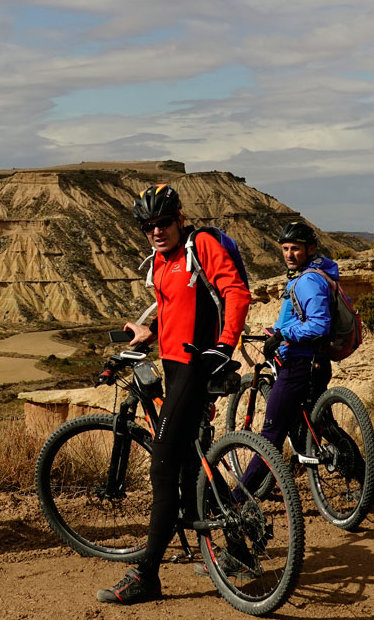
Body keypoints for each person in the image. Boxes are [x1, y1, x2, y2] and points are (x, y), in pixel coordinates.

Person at [96, 183, 250, 606]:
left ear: (179, 218)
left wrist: (224, 345)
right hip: (173, 366)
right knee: (188, 463)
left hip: (197, 370)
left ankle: (147, 574)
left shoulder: (199, 246)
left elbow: (236, 291)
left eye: (163, 222)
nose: (156, 231)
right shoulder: (162, 263)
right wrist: (149, 334)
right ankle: (235, 542)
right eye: (148, 226)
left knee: (162, 468)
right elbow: (176, 314)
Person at [237, 221, 338, 491]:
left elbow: (319, 324)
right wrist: (277, 331)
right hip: (311, 361)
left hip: (298, 364)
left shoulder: (308, 280)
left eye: (295, 249)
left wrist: (283, 336)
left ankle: (239, 496)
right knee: (324, 426)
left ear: (311, 249)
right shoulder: (306, 275)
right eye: (285, 249)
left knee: (270, 435)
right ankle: (369, 485)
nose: (290, 254)